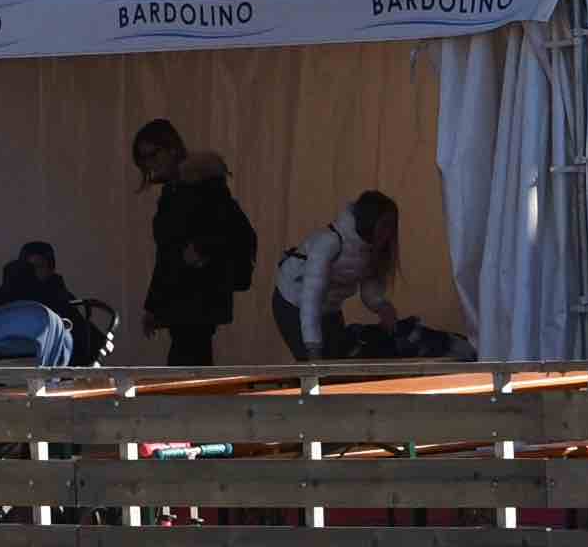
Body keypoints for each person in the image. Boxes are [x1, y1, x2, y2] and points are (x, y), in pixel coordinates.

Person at [132, 119, 256, 367]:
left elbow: (237, 232)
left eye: (153, 155)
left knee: (187, 367)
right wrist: (154, 306)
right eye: (144, 158)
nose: (150, 164)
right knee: (188, 366)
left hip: (198, 297)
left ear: (172, 149)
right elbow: (167, 255)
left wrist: (203, 250)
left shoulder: (203, 187)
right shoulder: (177, 191)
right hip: (186, 298)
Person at [272, 190, 404, 361]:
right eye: (385, 225)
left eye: (392, 226)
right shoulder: (329, 242)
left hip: (328, 307)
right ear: (370, 220)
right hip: (293, 302)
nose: (389, 233)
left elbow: (368, 286)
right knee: (314, 365)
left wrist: (381, 306)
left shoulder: (370, 249)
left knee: (337, 362)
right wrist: (312, 346)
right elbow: (310, 298)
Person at [0, 240, 87, 367]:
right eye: (28, 266)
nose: (32, 271)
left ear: (51, 270)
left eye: (39, 266)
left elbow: (81, 344)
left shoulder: (60, 297)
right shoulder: (3, 296)